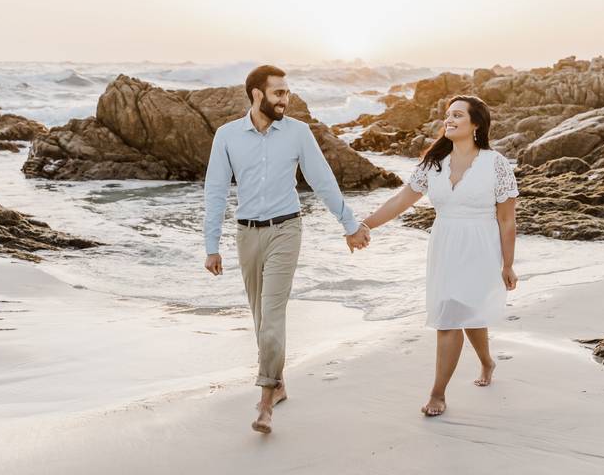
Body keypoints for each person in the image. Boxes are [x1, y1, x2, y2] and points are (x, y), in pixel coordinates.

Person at [202, 64, 370, 434]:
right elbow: (215, 191)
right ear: (257, 94)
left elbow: (321, 179)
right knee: (261, 319)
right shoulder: (227, 136)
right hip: (246, 234)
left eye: (287, 92)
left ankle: (264, 401)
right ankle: (278, 384)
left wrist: (350, 225)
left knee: (273, 314)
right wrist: (211, 245)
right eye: (279, 92)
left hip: (286, 230)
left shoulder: (298, 133)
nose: (285, 99)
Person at [360, 95, 518, 416]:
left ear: (476, 124)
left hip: (480, 247)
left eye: (457, 115)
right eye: (447, 115)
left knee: (457, 313)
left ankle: (438, 393)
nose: (449, 120)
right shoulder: (434, 163)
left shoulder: (495, 164)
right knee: (458, 310)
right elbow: (401, 200)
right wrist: (365, 223)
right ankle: (487, 362)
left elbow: (506, 219)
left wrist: (508, 264)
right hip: (445, 244)